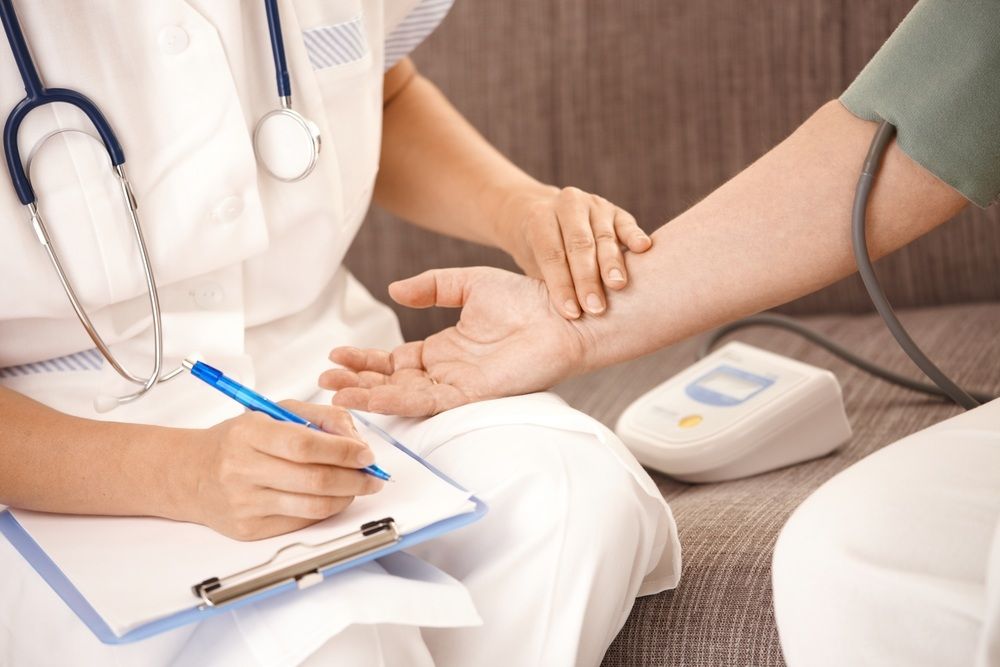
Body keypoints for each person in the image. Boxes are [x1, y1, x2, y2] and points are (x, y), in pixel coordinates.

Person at [0, 2, 679, 665]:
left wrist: (517, 207)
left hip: (342, 372)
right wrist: (180, 475)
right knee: (336, 639)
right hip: (70, 450)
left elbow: (375, 94)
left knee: (571, 495)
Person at [323, 0, 1000, 664]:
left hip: (339, 372)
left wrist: (552, 271)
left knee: (579, 491)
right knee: (852, 561)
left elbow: (946, 95)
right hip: (289, 388)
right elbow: (929, 106)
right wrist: (575, 320)